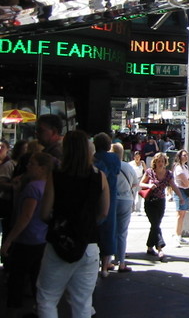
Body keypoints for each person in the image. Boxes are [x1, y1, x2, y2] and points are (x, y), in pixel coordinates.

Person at [36, 130, 109, 318]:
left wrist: (58, 224)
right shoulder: (99, 176)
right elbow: (103, 212)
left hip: (59, 242)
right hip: (89, 243)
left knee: (47, 298)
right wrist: (87, 223)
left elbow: (44, 213)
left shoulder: (56, 176)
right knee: (82, 302)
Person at [1, 152, 52, 318]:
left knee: (17, 279)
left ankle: (13, 312)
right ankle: (40, 310)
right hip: (43, 238)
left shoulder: (33, 187)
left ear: (42, 168)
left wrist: (9, 240)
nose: (28, 166)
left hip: (28, 239)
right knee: (38, 281)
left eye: (32, 164)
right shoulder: (49, 186)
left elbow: (26, 216)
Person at [139, 152, 183, 261]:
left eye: (162, 161)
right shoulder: (149, 172)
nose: (160, 163)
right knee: (155, 224)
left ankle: (150, 247)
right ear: (155, 162)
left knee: (156, 224)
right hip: (150, 202)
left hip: (160, 202)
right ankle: (160, 248)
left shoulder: (168, 174)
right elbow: (141, 184)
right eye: (159, 161)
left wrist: (181, 197)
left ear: (165, 162)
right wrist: (149, 185)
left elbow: (174, 186)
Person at [93, 132, 121, 278]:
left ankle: (94, 264)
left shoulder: (94, 158)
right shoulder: (114, 158)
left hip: (95, 197)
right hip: (110, 196)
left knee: (94, 230)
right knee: (109, 231)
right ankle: (105, 266)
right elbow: (116, 173)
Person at [113, 142, 137, 273]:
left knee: (110, 230)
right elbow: (135, 184)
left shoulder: (109, 165)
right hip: (126, 200)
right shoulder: (128, 167)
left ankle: (107, 261)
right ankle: (121, 262)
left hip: (112, 199)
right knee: (122, 232)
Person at [172, 149, 189, 246]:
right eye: (184, 155)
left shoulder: (185, 167)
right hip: (180, 191)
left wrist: (188, 182)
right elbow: (186, 182)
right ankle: (176, 235)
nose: (186, 157)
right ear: (179, 157)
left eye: (187, 155)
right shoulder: (178, 168)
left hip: (185, 191)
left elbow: (188, 181)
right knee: (179, 214)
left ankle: (179, 234)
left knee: (183, 214)